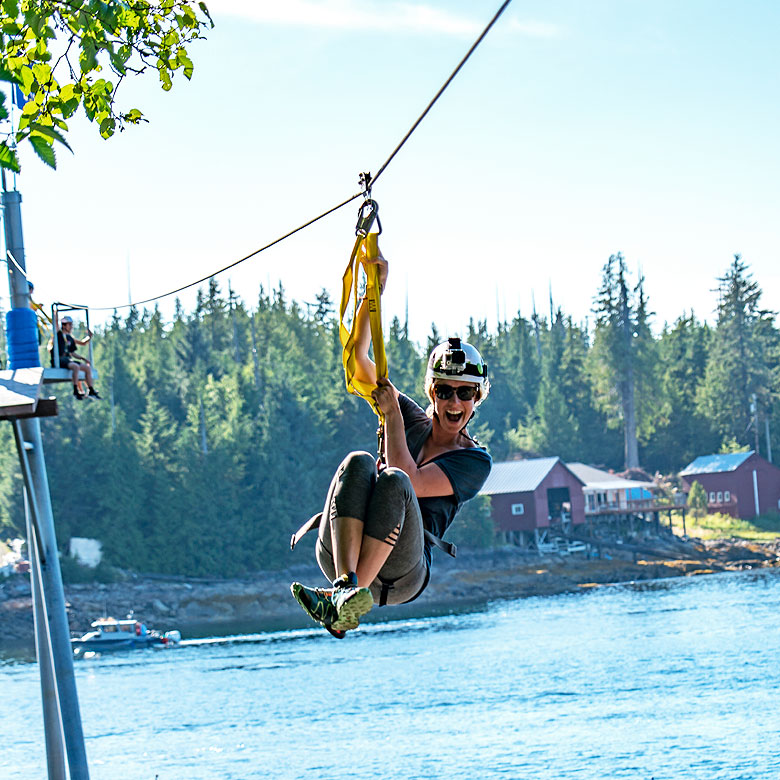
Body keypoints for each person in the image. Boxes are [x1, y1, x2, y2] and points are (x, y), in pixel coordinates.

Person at [291, 247, 492, 638]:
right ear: (432, 393)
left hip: (402, 573)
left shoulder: (474, 461)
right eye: (445, 391)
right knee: (358, 461)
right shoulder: (412, 419)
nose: (454, 403)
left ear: (476, 399)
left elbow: (412, 481)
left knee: (396, 482)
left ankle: (345, 597)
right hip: (340, 554)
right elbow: (360, 360)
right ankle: (344, 590)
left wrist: (392, 417)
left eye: (464, 394)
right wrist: (373, 293)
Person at [51, 313, 101, 401]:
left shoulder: (70, 338)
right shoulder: (59, 334)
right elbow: (55, 323)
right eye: (69, 325)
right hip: (60, 359)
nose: (71, 327)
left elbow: (76, 349)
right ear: (64, 325)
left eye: (71, 325)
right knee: (76, 367)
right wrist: (55, 313)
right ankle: (75, 390)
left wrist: (83, 358)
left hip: (67, 359)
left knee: (87, 368)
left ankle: (91, 389)